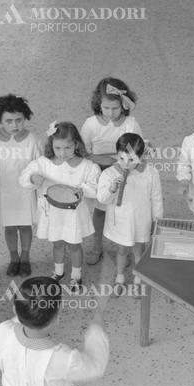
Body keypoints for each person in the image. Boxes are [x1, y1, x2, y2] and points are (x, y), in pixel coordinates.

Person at [20, 121, 100, 293]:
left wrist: (83, 189)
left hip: (74, 215)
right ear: (51, 146)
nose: (62, 153)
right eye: (58, 148)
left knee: (74, 245)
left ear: (76, 144)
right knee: (57, 243)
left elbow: (95, 189)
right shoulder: (43, 163)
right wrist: (33, 178)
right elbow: (24, 176)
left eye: (67, 148)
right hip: (53, 215)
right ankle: (58, 272)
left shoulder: (87, 166)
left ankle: (76, 276)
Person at [80, 76, 142, 264]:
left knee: (124, 211)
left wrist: (120, 163)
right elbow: (83, 151)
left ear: (124, 104)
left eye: (115, 108)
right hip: (100, 172)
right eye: (106, 108)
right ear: (98, 103)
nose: (110, 112)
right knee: (100, 210)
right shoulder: (91, 124)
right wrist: (105, 160)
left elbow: (137, 150)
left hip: (124, 171)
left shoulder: (130, 124)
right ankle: (97, 245)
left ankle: (124, 247)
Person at [97, 133, 163, 296]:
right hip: (121, 221)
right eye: (121, 158)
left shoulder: (151, 173)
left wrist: (157, 221)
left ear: (141, 157)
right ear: (117, 155)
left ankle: (138, 279)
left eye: (132, 160)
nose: (126, 164)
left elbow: (156, 198)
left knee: (139, 251)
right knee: (121, 250)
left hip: (141, 219)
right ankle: (120, 277)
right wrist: (112, 188)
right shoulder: (109, 174)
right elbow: (102, 199)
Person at [0, 94, 43, 276]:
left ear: (25, 118)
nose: (14, 125)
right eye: (8, 121)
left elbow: (40, 165)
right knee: (9, 227)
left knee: (25, 226)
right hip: (4, 192)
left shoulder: (33, 140)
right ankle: (13, 257)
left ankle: (25, 256)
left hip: (26, 192)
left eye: (19, 120)